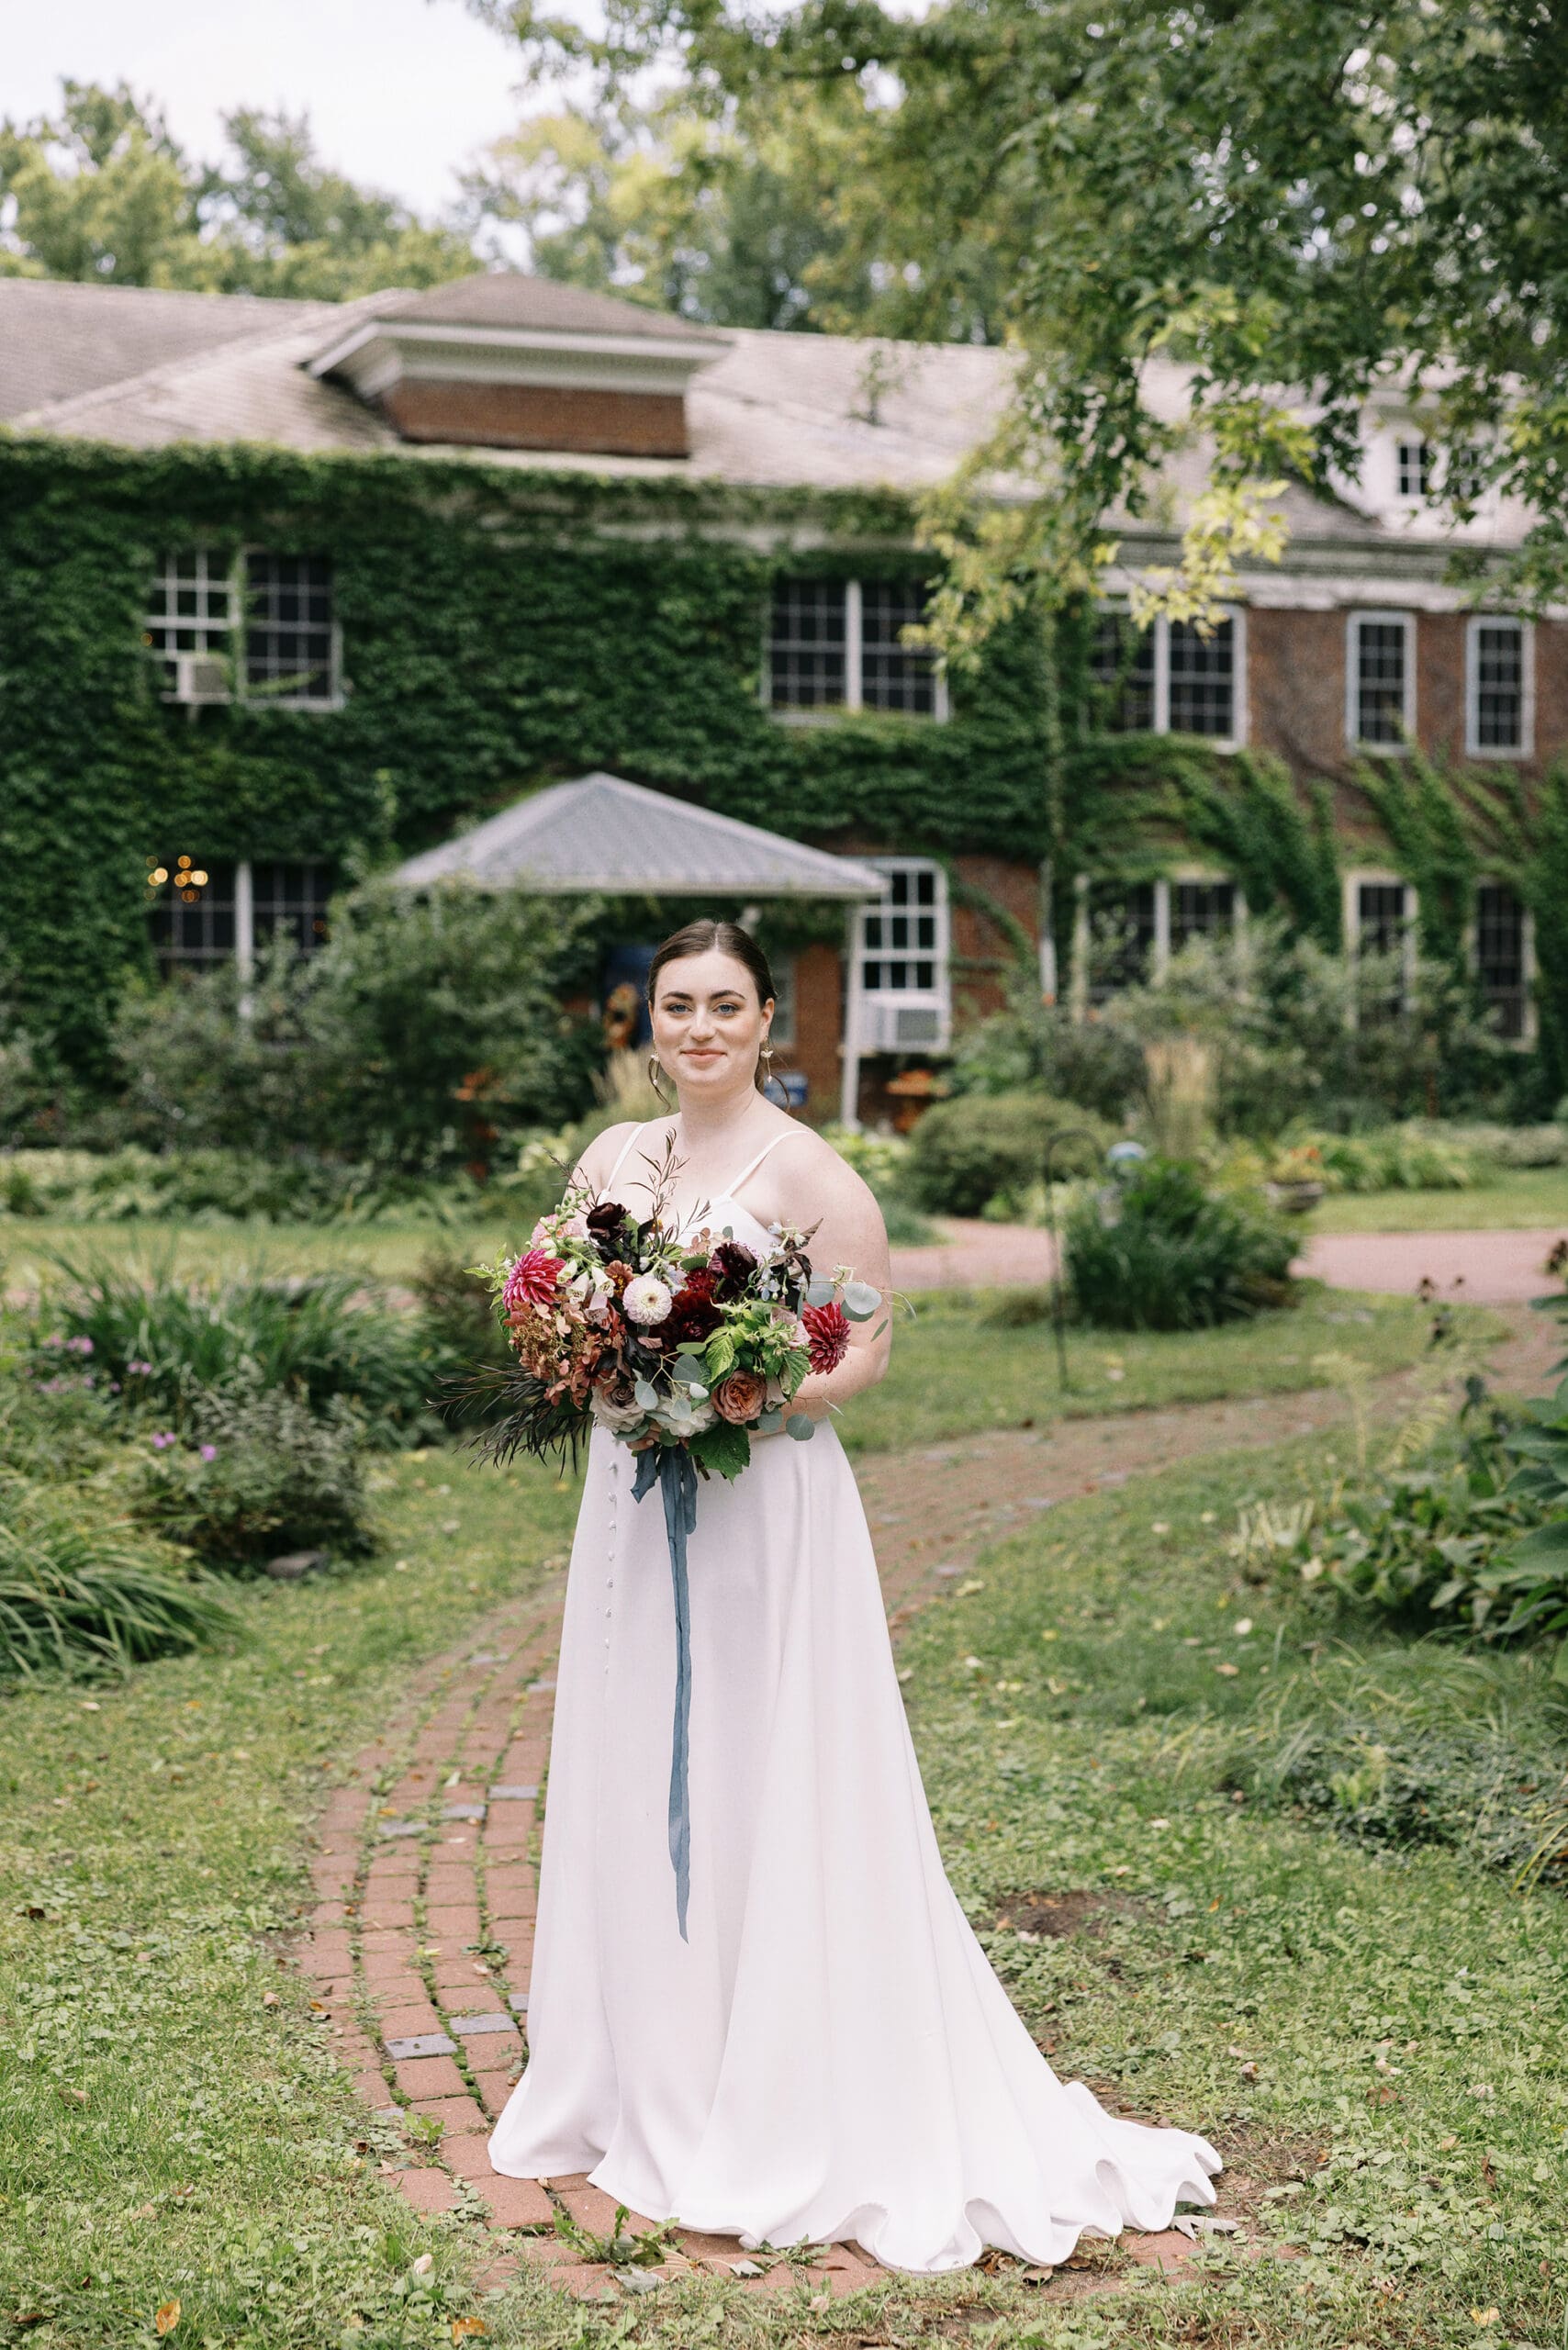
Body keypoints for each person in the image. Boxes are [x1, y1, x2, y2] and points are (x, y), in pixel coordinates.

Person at [487, 917, 1221, 2273]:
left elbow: (864, 1355)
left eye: (726, 1006)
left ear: (774, 1023)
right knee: (635, 1740)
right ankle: (641, 2062)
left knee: (767, 1763)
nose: (699, 1028)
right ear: (644, 1023)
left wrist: (735, 1391)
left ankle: (775, 2066)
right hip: (632, 1507)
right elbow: (554, 1306)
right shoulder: (610, 1162)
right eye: (675, 1006)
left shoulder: (816, 1174)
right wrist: (598, 1366)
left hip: (765, 1504)